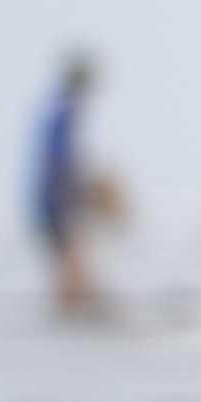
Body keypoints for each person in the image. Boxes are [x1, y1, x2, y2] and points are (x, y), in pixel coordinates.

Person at [25, 49, 124, 323]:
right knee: (69, 259)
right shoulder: (64, 113)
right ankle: (73, 315)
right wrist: (78, 191)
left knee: (69, 259)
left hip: (53, 195)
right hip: (55, 198)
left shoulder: (59, 111)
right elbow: (59, 161)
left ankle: (73, 314)